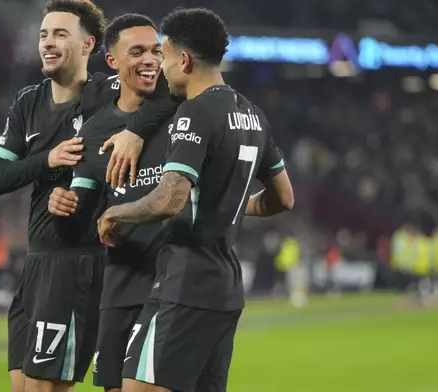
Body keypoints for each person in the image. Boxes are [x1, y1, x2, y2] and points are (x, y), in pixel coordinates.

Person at [96, 8, 293, 392]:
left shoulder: (194, 112)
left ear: (183, 60)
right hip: (226, 290)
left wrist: (116, 213)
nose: (161, 68)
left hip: (183, 285)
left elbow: (169, 199)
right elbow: (284, 197)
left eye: (165, 57)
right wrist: (228, 204)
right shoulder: (253, 115)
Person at [0, 2, 173, 392]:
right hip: (37, 259)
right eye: (43, 35)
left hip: (78, 258)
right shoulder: (28, 102)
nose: (48, 43)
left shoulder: (109, 92)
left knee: (45, 387)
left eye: (60, 34)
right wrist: (47, 159)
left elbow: (167, 91)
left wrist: (135, 131)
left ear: (88, 45)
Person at [46, 14, 176, 392]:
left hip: (173, 285)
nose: (150, 59)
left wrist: (136, 132)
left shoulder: (184, 112)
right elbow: (80, 220)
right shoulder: (95, 132)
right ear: (112, 61)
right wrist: (63, 207)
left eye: (156, 50)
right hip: (120, 286)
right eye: (137, 52)